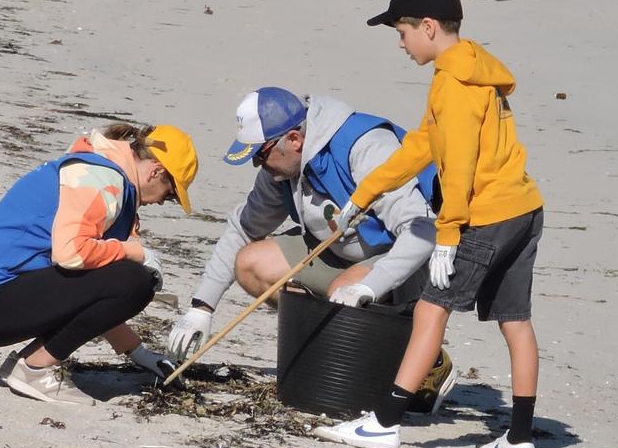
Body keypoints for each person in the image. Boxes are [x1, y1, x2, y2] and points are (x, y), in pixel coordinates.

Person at [316, 0, 545, 448]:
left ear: (428, 26)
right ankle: (520, 439)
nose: (401, 44)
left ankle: (383, 423)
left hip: (485, 215)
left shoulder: (454, 84)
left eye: (402, 33)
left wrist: (447, 236)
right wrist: (364, 194)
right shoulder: (471, 68)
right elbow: (422, 145)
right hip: (523, 208)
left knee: (430, 309)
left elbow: (458, 164)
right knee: (515, 320)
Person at [165, 87, 456, 406]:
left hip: (407, 261)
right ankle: (341, 341)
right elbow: (243, 228)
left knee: (345, 294)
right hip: (339, 252)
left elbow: (422, 232)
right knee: (251, 263)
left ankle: (426, 358)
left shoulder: (365, 148)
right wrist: (201, 308)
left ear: (294, 139)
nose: (258, 166)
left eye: (261, 155)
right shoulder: (282, 169)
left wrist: (370, 286)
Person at [0, 123, 198, 407]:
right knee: (135, 280)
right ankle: (34, 370)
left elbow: (94, 292)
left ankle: (25, 364)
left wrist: (139, 354)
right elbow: (71, 255)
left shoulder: (104, 171)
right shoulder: (101, 177)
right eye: (171, 193)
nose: (164, 202)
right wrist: (135, 252)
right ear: (156, 171)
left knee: (124, 275)